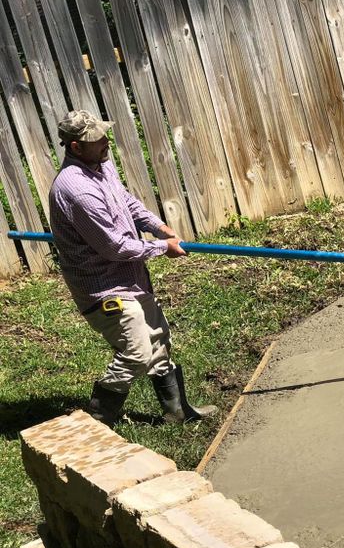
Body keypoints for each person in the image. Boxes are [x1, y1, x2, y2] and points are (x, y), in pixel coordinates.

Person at [48, 109, 217, 426]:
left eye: (103, 134)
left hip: (129, 274)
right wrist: (161, 247)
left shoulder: (100, 164)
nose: (105, 141)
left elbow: (125, 200)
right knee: (137, 351)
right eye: (96, 139)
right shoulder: (76, 190)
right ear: (75, 147)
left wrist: (157, 225)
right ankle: (99, 420)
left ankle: (178, 413)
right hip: (102, 286)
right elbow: (114, 246)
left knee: (157, 338)